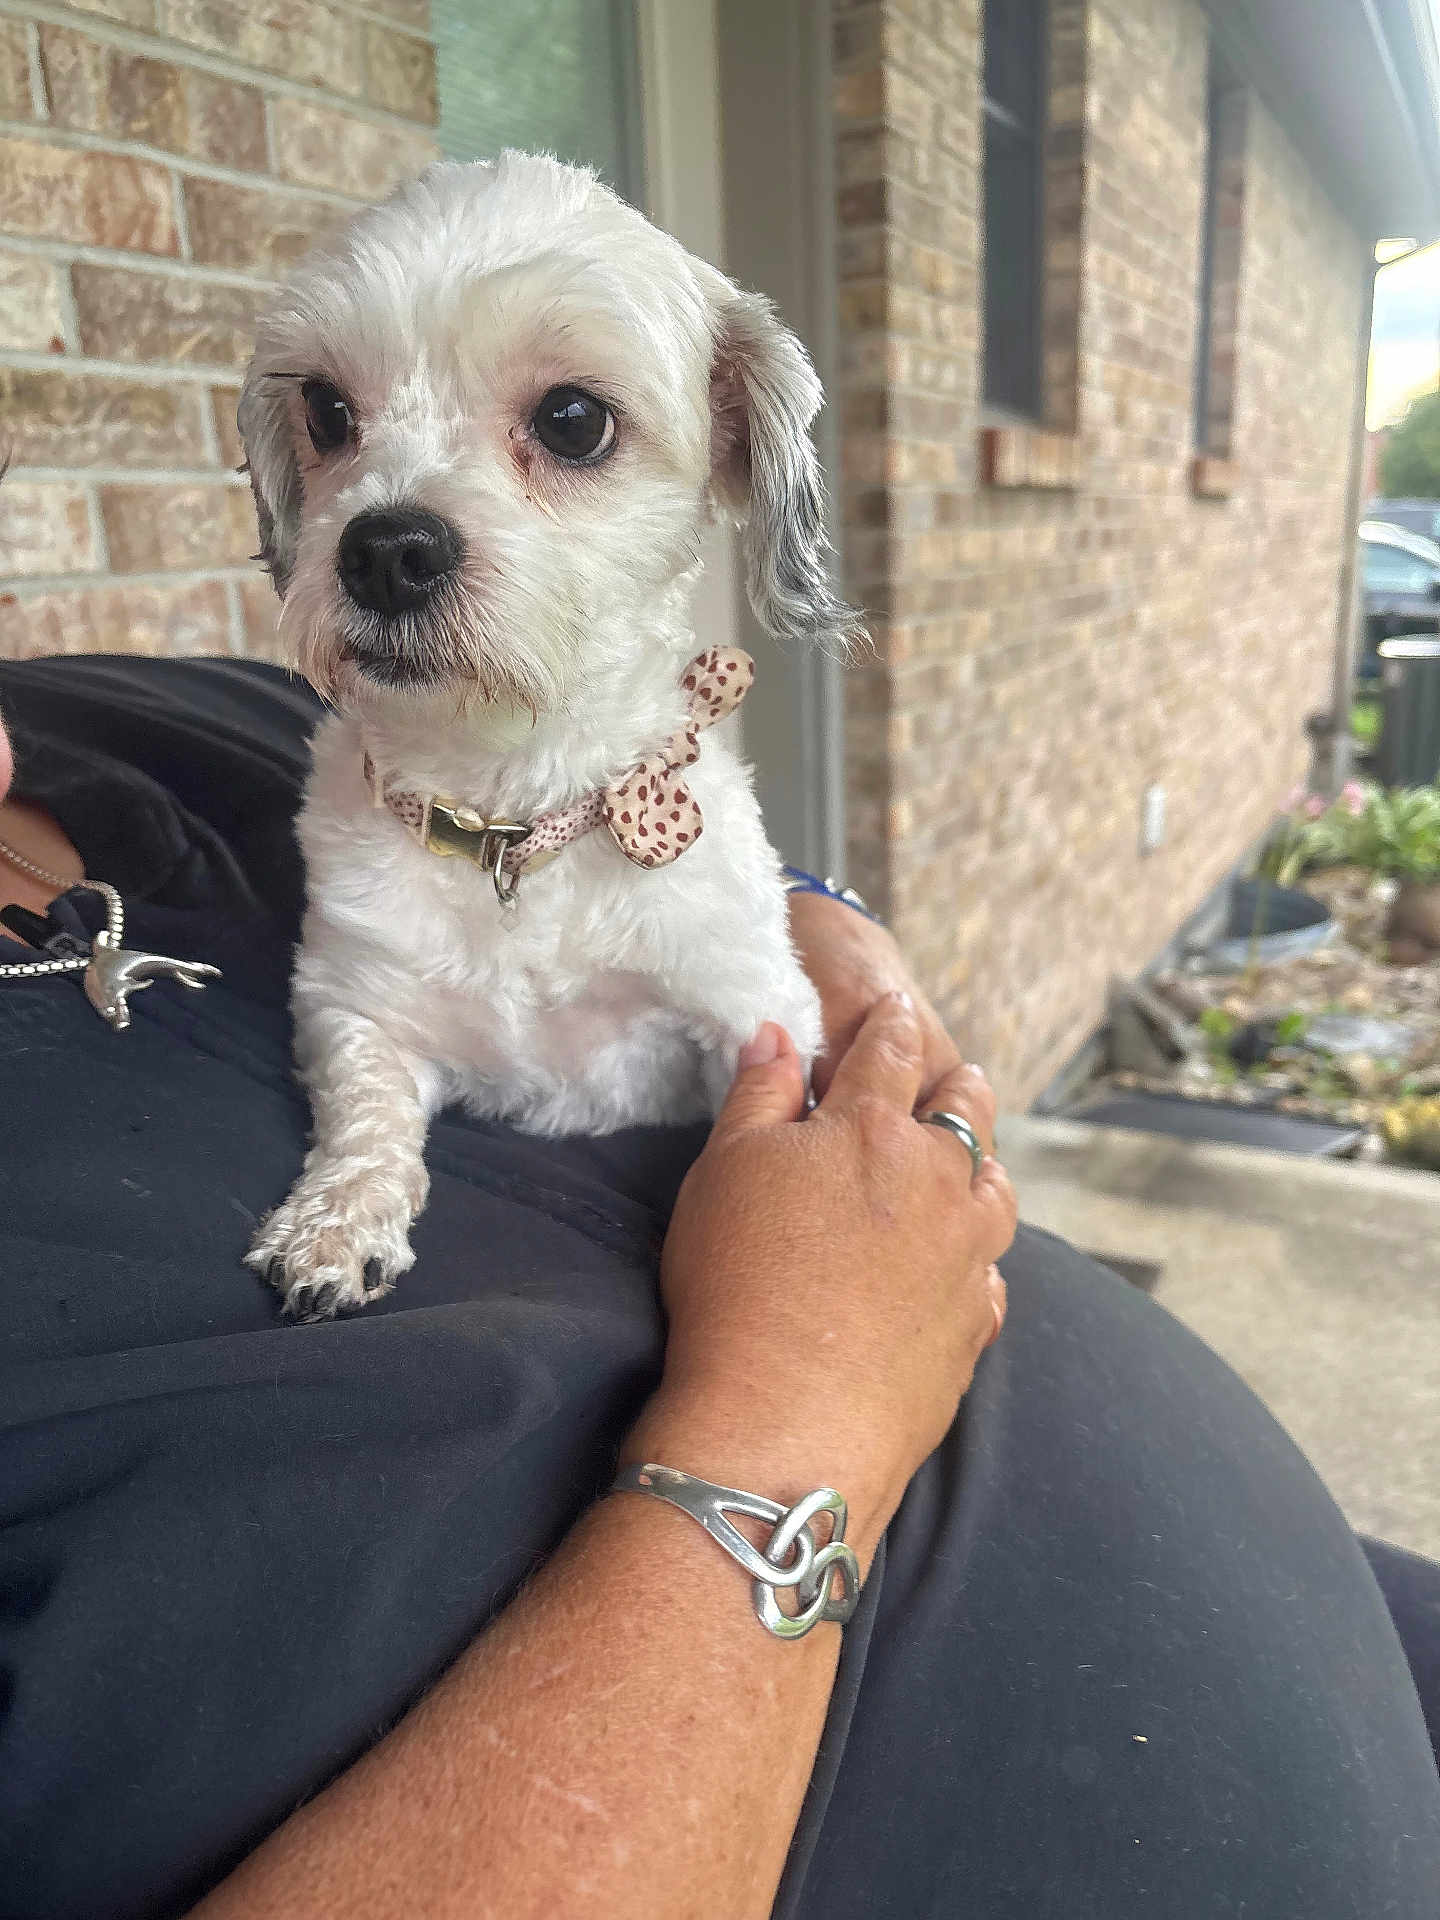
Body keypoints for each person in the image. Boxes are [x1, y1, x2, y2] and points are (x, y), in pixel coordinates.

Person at [0, 652, 1437, 1920]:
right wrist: (808, 1411)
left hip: (1306, 1609)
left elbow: (627, 829)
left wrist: (812, 917)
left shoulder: (173, 716)